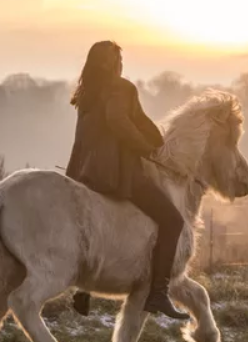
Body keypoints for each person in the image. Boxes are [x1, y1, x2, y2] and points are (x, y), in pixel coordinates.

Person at [64, 40, 189, 320]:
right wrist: (145, 147)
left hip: (86, 174)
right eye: (119, 59)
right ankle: (159, 293)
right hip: (118, 175)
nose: (122, 65)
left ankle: (83, 289)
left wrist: (71, 178)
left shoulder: (86, 94)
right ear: (114, 63)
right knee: (172, 221)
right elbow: (118, 120)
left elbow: (82, 140)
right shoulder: (121, 88)